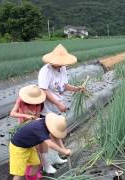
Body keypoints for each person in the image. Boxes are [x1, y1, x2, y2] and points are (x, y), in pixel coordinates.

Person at [38, 44, 84, 173]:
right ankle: (46, 165)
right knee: (44, 137)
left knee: (56, 133)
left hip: (57, 107)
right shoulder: (46, 71)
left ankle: (56, 157)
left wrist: (76, 88)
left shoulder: (62, 69)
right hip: (46, 109)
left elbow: (64, 85)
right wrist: (58, 103)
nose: (62, 64)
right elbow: (44, 89)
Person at [9, 112, 71, 180]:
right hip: (18, 148)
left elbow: (56, 138)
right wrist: (64, 151)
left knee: (36, 164)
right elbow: (50, 144)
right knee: (19, 173)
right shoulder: (40, 128)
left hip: (28, 146)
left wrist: (64, 149)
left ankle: (31, 178)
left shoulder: (45, 122)